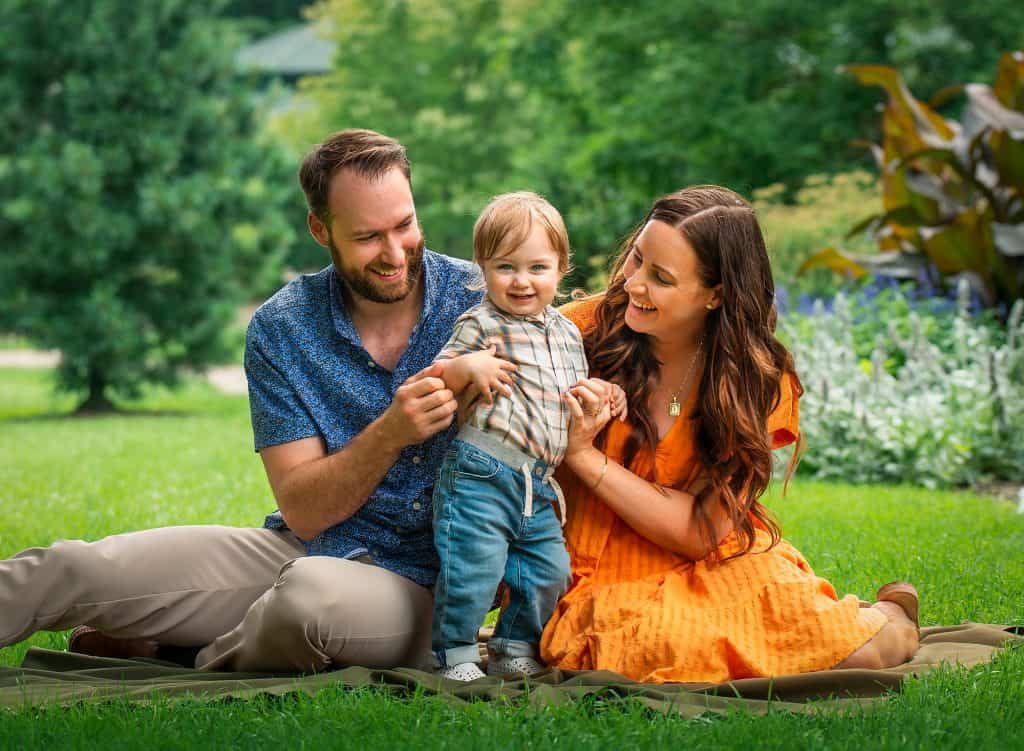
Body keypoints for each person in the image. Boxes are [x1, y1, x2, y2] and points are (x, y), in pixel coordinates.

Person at [0, 129, 495, 673]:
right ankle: (174, 632)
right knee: (75, 567)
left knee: (306, 601)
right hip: (307, 546)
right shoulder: (283, 326)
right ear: (319, 230)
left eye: (404, 225)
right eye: (367, 236)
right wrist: (390, 432)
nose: (395, 252)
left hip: (428, 589)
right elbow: (304, 511)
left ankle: (177, 653)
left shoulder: (482, 301)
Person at [539, 185, 920, 683]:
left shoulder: (753, 378)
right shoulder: (575, 333)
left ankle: (894, 617)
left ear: (716, 294)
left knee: (859, 654)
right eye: (636, 259)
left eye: (661, 278)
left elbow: (701, 532)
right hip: (597, 563)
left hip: (712, 557)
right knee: (644, 648)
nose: (633, 285)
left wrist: (585, 458)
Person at [427, 192, 625, 681]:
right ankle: (453, 653)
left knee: (547, 569)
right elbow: (437, 376)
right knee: (474, 566)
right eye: (505, 267)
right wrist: (465, 367)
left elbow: (568, 390)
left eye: (537, 267)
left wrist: (602, 390)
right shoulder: (480, 323)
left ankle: (513, 645)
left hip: (539, 482)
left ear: (561, 269)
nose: (521, 281)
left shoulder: (566, 334)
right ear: (483, 268)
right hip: (482, 469)